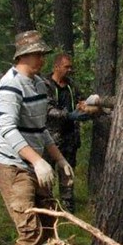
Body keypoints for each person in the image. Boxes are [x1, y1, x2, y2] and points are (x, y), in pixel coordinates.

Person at [0, 30, 74, 245]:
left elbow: (41, 130)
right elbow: (8, 130)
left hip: (34, 164)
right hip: (13, 167)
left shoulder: (38, 85)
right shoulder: (10, 86)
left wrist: (59, 159)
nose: (41, 59)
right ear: (24, 55)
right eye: (38, 54)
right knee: (29, 231)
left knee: (49, 223)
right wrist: (36, 161)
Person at [45, 52, 98, 212]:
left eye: (71, 67)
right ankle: (46, 207)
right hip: (50, 139)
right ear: (56, 66)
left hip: (70, 140)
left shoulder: (71, 86)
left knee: (67, 175)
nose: (69, 70)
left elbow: (81, 101)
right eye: (66, 66)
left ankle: (68, 210)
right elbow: (47, 110)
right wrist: (68, 115)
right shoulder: (45, 85)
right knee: (47, 176)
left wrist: (85, 108)